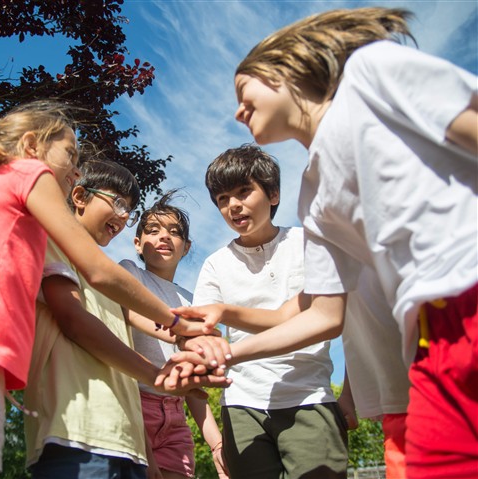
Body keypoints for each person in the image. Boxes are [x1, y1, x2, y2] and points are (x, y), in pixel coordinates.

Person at [169, 7, 477, 479]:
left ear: (282, 74)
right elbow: (323, 315)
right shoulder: (314, 195)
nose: (237, 111)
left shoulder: (370, 75)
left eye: (243, 92)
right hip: (427, 334)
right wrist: (222, 352)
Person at [0, 101, 221, 479]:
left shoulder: (2, 203)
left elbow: (125, 308)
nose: (75, 170)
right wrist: (177, 324)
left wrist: (182, 336)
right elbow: (97, 272)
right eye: (70, 154)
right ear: (31, 145)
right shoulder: (27, 171)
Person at [25, 162, 229, 479]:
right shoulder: (107, 270)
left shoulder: (177, 297)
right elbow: (83, 319)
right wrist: (166, 355)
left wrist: (187, 335)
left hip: (129, 427)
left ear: (187, 246)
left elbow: (138, 323)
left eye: (129, 210)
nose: (123, 216)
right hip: (79, 425)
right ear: (78, 196)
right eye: (118, 203)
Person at [192, 145, 348, 479]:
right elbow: (201, 331)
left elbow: (332, 319)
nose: (233, 205)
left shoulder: (309, 244)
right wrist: (196, 345)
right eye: (222, 199)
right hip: (242, 404)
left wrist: (348, 392)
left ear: (273, 194)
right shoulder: (215, 264)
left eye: (243, 192)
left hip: (309, 394)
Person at [120, 190, 229, 479]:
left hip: (175, 415)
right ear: (137, 243)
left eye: (174, 232)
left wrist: (217, 444)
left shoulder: (192, 301)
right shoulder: (131, 273)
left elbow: (193, 387)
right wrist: (180, 333)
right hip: (133, 403)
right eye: (153, 230)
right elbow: (130, 311)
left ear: (186, 247)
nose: (164, 237)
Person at [337, 267, 410, 479]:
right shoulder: (328, 255)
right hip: (399, 405)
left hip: (448, 386)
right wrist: (348, 394)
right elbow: (359, 337)